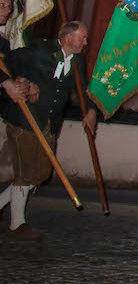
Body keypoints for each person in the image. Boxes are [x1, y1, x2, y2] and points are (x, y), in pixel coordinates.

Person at [0, 21, 98, 240]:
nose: (86, 42)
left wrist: (90, 110)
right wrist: (22, 81)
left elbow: (83, 88)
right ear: (67, 38)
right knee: (25, 173)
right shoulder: (38, 50)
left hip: (49, 124)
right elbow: (6, 62)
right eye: (82, 38)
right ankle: (18, 225)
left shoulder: (78, 60)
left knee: (42, 173)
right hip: (24, 119)